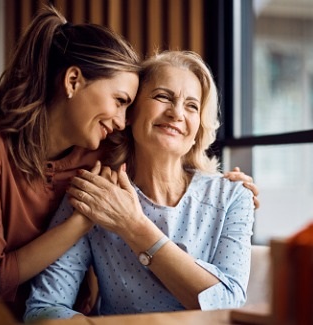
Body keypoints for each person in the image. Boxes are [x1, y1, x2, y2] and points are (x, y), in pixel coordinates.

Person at [24, 50, 255, 321]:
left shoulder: (233, 197)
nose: (177, 113)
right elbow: (43, 309)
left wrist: (134, 226)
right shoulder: (96, 194)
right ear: (130, 113)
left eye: (192, 105)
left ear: (198, 129)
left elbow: (228, 304)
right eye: (162, 97)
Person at [0, 5, 140, 321]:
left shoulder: (105, 155)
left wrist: (231, 186)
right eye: (119, 102)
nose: (121, 122)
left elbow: (174, 172)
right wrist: (81, 222)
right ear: (73, 80)